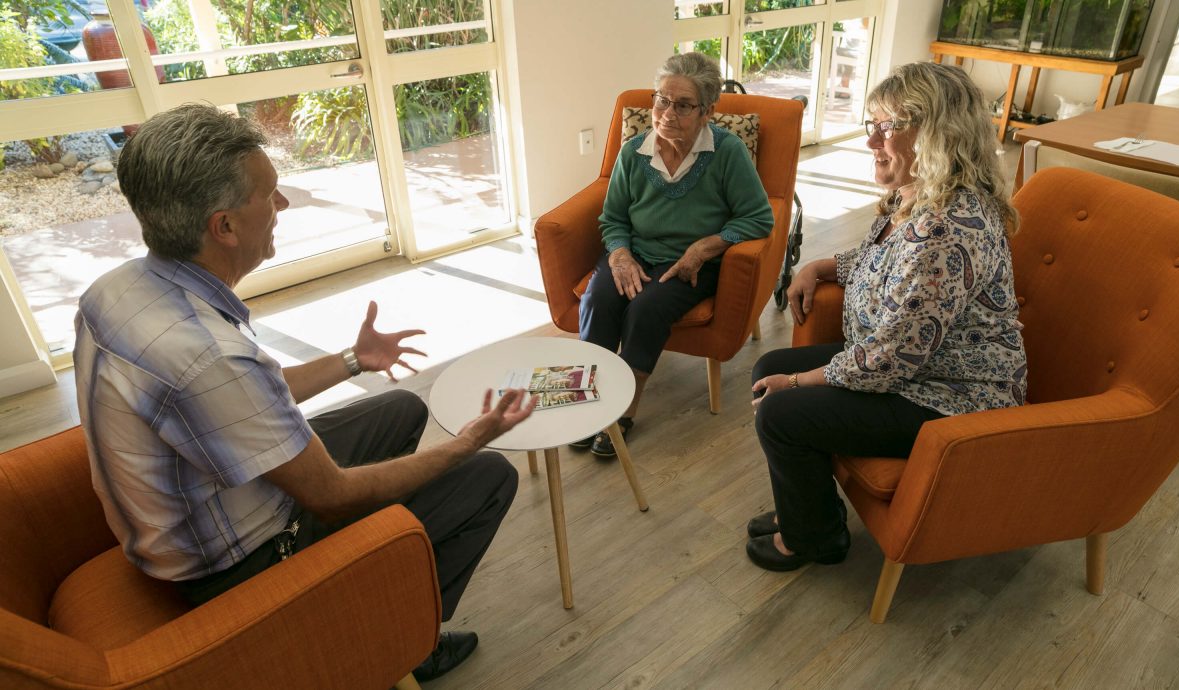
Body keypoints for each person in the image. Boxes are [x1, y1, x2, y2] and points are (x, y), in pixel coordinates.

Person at [72, 103, 535, 682]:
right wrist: (465, 443)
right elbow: (333, 496)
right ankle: (400, 641)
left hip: (192, 508)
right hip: (236, 564)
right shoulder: (206, 354)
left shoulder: (114, 291)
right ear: (225, 226)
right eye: (269, 194)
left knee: (403, 406)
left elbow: (236, 404)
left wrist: (352, 361)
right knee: (488, 478)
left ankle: (386, 610)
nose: (282, 205)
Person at [744, 62, 1028, 571]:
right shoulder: (920, 194)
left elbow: (888, 362)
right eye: (871, 124)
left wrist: (802, 380)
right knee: (768, 369)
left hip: (950, 395)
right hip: (915, 369)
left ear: (940, 133)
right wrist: (822, 264)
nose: (872, 140)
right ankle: (812, 511)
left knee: (782, 411)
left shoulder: (944, 232)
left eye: (889, 126)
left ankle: (815, 540)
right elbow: (885, 263)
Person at [574, 51, 774, 457]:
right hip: (636, 253)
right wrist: (619, 256)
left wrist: (704, 247)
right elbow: (613, 219)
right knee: (598, 298)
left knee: (646, 308)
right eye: (661, 100)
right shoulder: (633, 152)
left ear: (707, 112)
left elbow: (759, 218)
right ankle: (587, 404)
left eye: (683, 105)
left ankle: (622, 413)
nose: (667, 113)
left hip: (689, 264)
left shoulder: (727, 152)